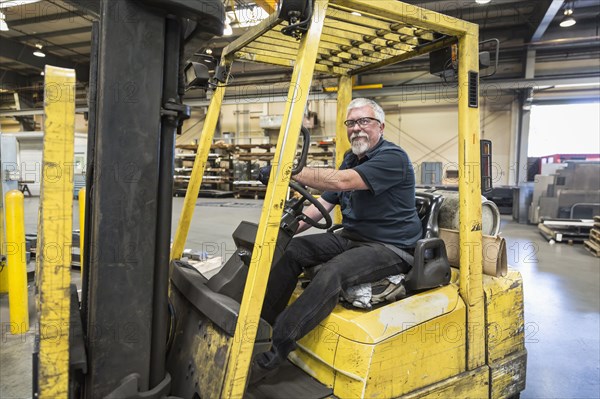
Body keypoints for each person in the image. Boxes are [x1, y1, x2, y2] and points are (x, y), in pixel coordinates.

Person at [251, 98, 422, 384]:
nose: (356, 129)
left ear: (380, 126)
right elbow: (324, 202)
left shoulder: (393, 158)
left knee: (334, 272)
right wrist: (287, 229)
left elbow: (341, 182)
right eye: (351, 123)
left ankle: (275, 351)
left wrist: (286, 171)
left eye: (363, 121)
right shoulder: (350, 157)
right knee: (294, 251)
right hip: (354, 238)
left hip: (391, 247)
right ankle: (258, 326)